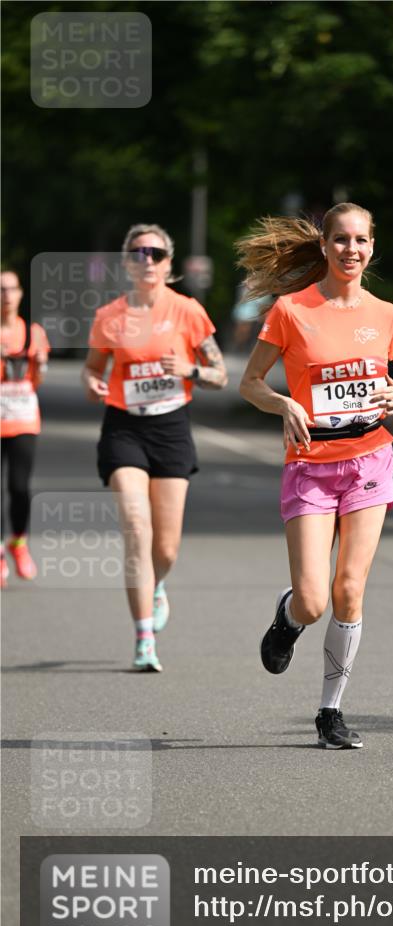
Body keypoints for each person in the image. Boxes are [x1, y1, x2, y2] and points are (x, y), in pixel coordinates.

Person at [237, 203, 393, 748]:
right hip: (310, 466)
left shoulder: (388, 315)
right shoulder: (291, 311)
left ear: (373, 248)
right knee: (314, 599)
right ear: (324, 246)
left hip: (370, 460)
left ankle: (330, 711)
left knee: (349, 589)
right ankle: (288, 616)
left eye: (361, 240)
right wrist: (282, 404)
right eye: (342, 240)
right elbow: (250, 383)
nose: (352, 249)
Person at [82, 224, 228, 672]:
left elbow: (219, 373)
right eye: (138, 252)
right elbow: (92, 371)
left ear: (169, 263)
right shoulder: (109, 316)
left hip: (170, 428)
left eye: (156, 252)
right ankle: (144, 637)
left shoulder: (188, 312)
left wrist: (189, 368)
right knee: (135, 527)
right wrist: (94, 384)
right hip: (124, 428)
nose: (147, 259)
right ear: (127, 262)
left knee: (165, 548)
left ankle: (157, 584)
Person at [1, 270, 50, 587]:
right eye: (0, 289)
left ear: (20, 294)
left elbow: (37, 380)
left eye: (11, 289)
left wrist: (41, 363)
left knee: (19, 487)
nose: (6, 295)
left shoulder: (33, 333)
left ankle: (18, 542)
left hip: (22, 419)